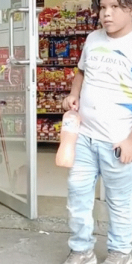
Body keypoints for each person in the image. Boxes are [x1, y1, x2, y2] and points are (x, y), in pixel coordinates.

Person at [61, 0, 132, 263]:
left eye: (115, 6)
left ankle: (120, 252)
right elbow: (81, 72)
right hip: (84, 137)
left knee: (120, 203)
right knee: (77, 196)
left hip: (117, 141)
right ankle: (81, 250)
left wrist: (130, 140)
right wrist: (73, 95)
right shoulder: (92, 38)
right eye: (103, 7)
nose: (107, 13)